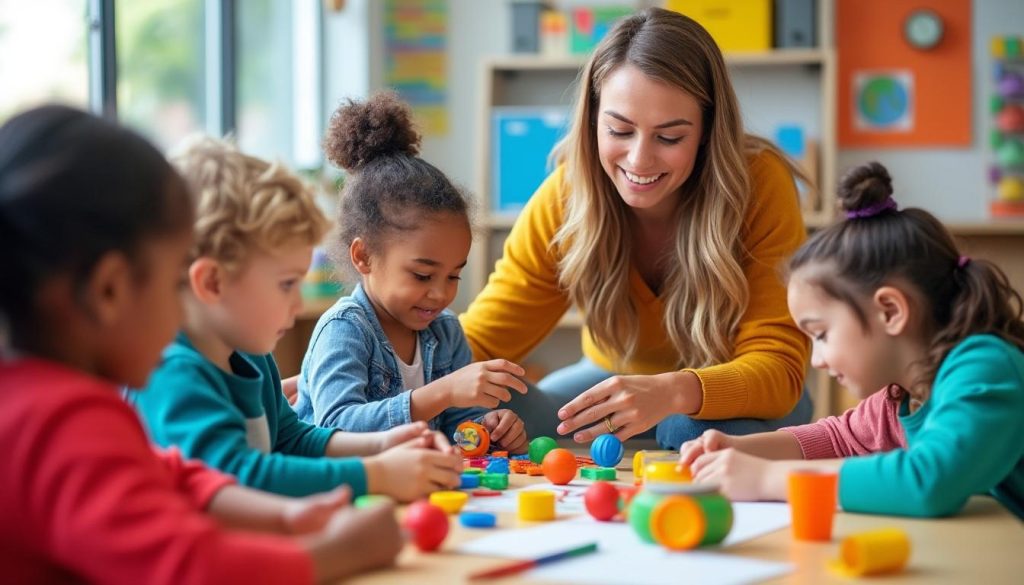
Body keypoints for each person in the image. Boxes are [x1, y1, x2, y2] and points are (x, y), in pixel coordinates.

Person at [0, 105, 402, 583]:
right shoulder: (61, 423)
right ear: (109, 291)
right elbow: (189, 567)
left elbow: (171, 473)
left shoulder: (41, 400)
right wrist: (338, 553)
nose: (183, 312)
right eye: (174, 283)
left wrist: (281, 516)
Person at [460, 7, 812, 449]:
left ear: (707, 130)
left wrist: (673, 391)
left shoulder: (759, 183)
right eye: (619, 130)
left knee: (687, 429)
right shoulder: (566, 196)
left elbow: (779, 368)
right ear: (593, 120)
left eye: (669, 137)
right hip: (612, 378)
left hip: (732, 393)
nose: (640, 160)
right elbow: (477, 342)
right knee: (502, 409)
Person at [678, 162, 1024, 519]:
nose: (816, 360)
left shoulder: (986, 367)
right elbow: (835, 439)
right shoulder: (902, 396)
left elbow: (927, 481)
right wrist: (739, 450)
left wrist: (766, 477)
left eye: (822, 334)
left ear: (890, 311)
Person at [130, 136, 463, 500]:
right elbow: (237, 477)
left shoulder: (253, 357)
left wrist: (384, 442)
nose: (298, 302)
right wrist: (376, 475)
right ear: (212, 282)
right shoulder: (172, 372)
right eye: (287, 284)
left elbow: (293, 439)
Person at [293, 92, 529, 454]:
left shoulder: (446, 332)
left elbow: (459, 427)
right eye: (422, 275)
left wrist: (489, 430)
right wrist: (440, 393)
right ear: (364, 257)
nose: (441, 294)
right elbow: (336, 427)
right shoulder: (344, 330)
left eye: (453, 276)